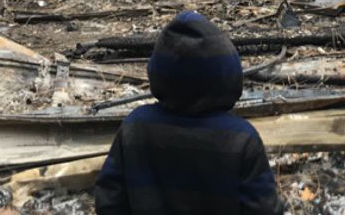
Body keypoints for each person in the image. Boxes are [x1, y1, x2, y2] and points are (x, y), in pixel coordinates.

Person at [94, 11, 283, 214]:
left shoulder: (135, 127)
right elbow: (263, 209)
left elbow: (109, 200)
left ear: (158, 72)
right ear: (227, 75)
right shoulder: (241, 138)